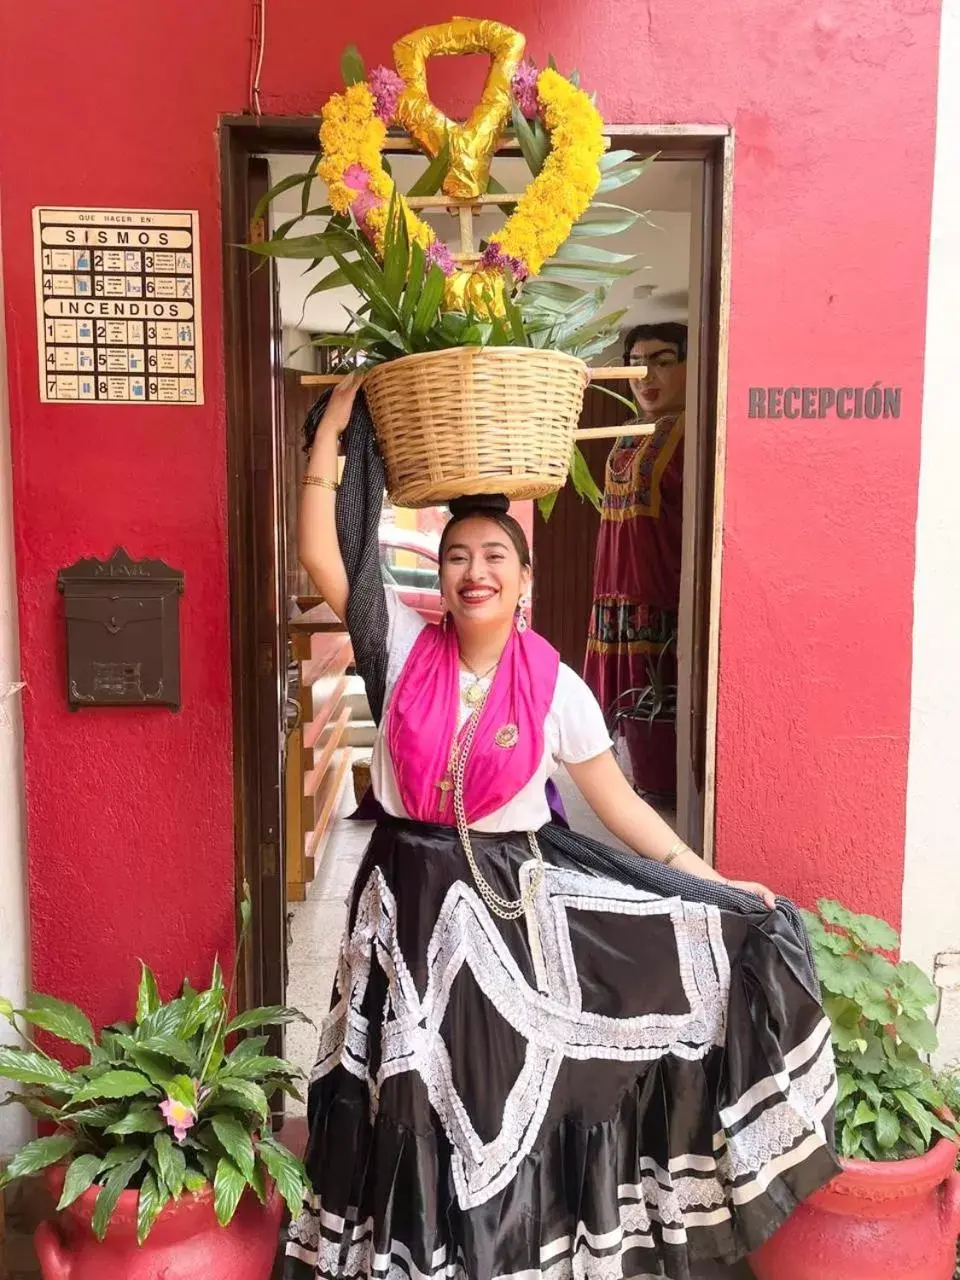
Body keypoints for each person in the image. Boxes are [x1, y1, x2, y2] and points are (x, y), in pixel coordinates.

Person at [284, 376, 838, 1280]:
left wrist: (713, 882)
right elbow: (318, 549)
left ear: (522, 577)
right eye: (458, 556)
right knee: (403, 1099)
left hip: (507, 914)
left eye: (494, 557)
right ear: (442, 572)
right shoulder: (395, 646)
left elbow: (620, 809)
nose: (475, 573)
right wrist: (338, 427)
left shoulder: (556, 688)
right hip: (398, 910)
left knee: (491, 1097)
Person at [584, 322, 688, 807]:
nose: (649, 376)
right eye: (637, 365)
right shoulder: (627, 432)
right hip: (615, 592)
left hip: (665, 595)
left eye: (664, 361)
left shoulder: (697, 430)